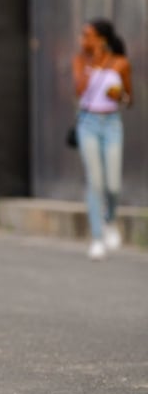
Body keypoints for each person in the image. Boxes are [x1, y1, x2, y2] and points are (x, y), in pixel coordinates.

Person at [71, 19, 132, 260]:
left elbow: (130, 98)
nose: (82, 40)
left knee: (113, 184)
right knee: (94, 181)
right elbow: (79, 90)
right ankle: (97, 238)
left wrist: (120, 95)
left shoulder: (120, 63)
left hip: (112, 124)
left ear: (101, 39)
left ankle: (110, 220)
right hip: (88, 124)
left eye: (87, 35)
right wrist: (93, 63)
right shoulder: (80, 61)